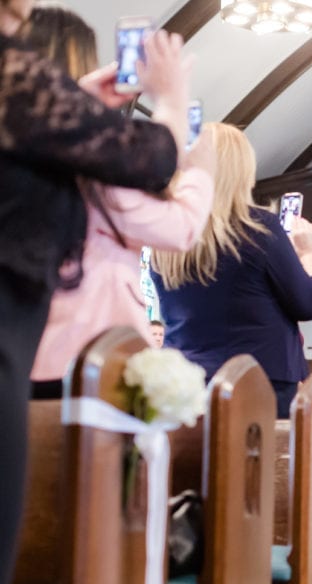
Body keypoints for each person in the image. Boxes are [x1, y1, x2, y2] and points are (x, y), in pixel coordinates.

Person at [0, 0, 185, 584]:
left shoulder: (23, 87)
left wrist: (73, 97)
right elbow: (155, 160)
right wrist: (168, 99)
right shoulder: (13, 72)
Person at [25, 5, 214, 398]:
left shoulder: (20, 147)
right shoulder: (90, 164)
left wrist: (81, 103)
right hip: (84, 362)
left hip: (22, 353)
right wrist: (199, 172)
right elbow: (179, 228)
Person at [151, 123, 312, 419]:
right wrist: (311, 256)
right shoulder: (259, 228)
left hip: (184, 379)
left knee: (193, 463)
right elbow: (309, 303)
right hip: (256, 380)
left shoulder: (169, 230)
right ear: (241, 171)